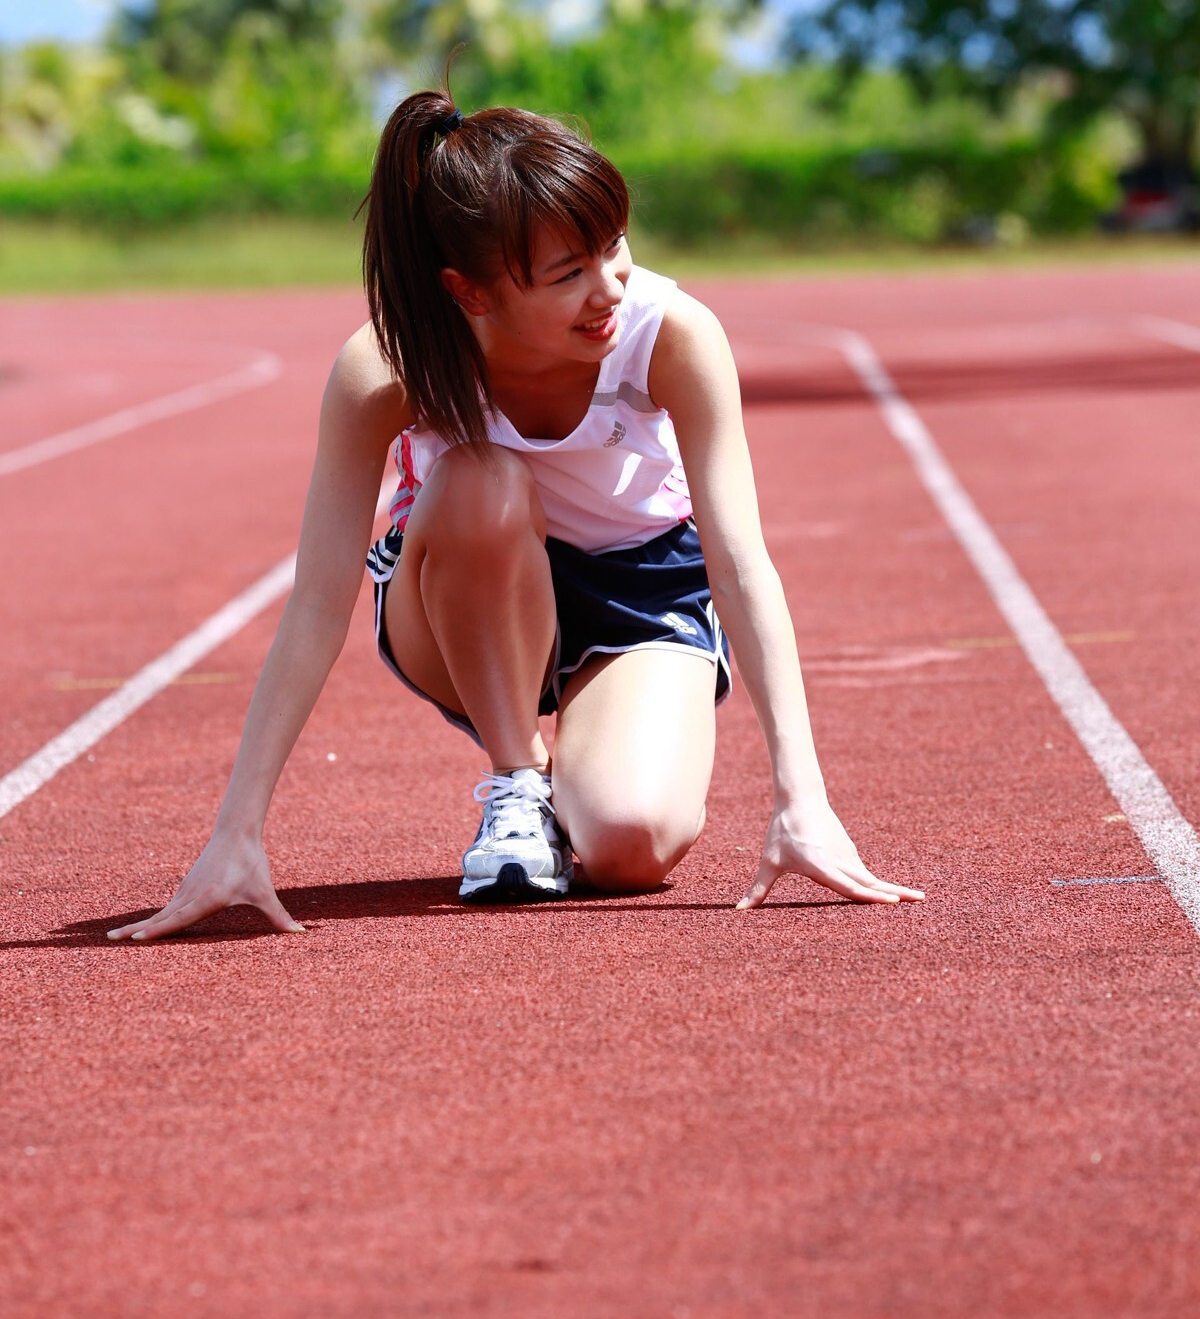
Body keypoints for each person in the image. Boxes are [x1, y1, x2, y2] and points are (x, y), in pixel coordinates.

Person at [109, 93, 923, 942]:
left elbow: (741, 561)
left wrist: (803, 798)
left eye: (614, 249)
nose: (609, 289)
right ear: (469, 292)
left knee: (631, 846)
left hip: (641, 589)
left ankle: (584, 778)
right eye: (568, 274)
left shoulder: (672, 335)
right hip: (462, 597)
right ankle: (518, 784)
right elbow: (317, 602)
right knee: (482, 478)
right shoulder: (385, 369)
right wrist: (236, 829)